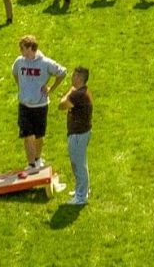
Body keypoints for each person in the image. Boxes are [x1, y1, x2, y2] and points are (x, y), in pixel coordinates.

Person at [12, 35, 67, 174]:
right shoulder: (19, 62)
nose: (20, 51)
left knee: (38, 135)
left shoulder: (45, 63)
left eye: (22, 48)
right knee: (27, 134)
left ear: (31, 48)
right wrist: (21, 87)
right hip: (24, 105)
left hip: (40, 105)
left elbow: (62, 72)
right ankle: (31, 165)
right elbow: (15, 73)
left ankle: (37, 159)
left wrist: (51, 89)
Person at [58, 66, 93, 206]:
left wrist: (69, 92)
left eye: (74, 76)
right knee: (80, 164)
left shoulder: (77, 94)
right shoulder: (84, 91)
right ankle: (82, 190)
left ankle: (81, 197)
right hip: (82, 133)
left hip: (78, 135)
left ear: (80, 79)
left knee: (78, 165)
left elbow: (61, 105)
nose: (72, 78)